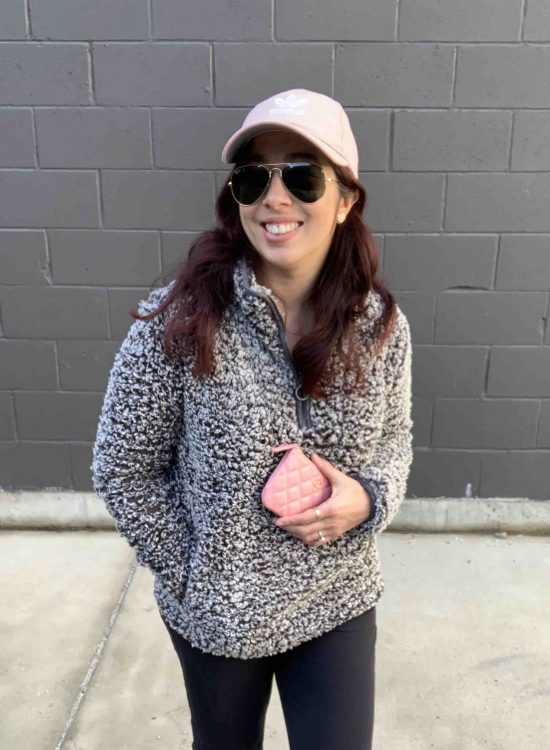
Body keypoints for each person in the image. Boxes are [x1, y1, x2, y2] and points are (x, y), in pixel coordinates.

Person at [91, 88, 414, 750]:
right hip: (221, 619)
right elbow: (122, 468)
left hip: (337, 598)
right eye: (253, 177)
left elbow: (396, 441)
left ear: (345, 200)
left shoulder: (380, 325)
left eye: (302, 175)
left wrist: (370, 498)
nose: (275, 197)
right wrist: (193, 573)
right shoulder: (178, 322)